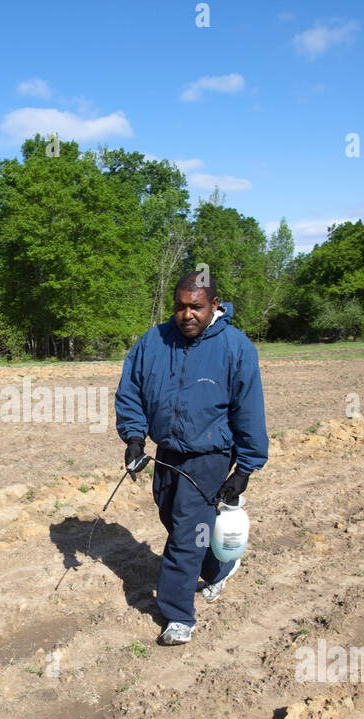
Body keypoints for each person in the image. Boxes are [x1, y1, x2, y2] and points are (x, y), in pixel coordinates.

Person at [114, 271, 269, 645]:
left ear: (214, 306)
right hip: (168, 452)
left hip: (211, 454)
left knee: (185, 534)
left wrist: (244, 468)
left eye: (196, 307)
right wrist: (135, 438)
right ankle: (219, 567)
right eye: (181, 307)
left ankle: (178, 616)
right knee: (175, 520)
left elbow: (249, 410)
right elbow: (131, 390)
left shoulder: (236, 347)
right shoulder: (153, 341)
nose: (187, 315)